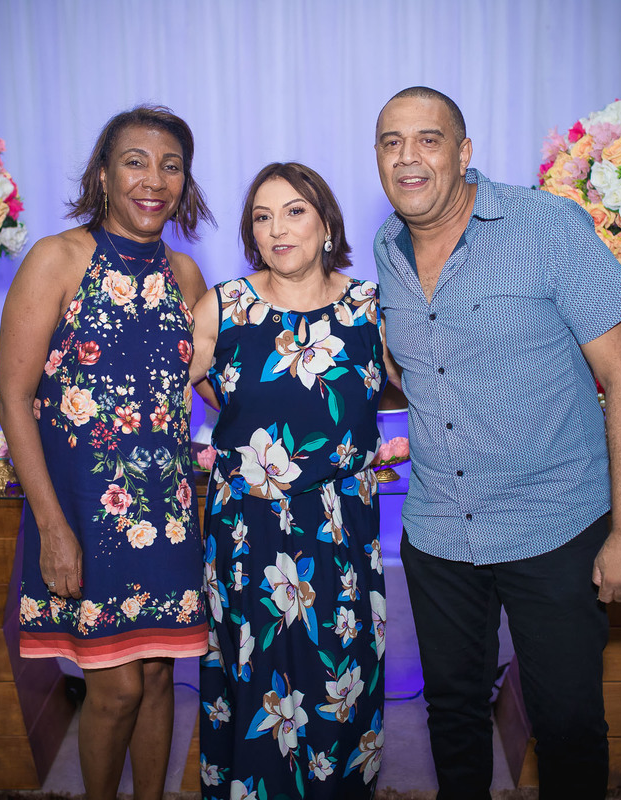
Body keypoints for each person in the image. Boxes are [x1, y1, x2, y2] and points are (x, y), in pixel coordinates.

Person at [372, 87, 621, 800]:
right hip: (439, 529)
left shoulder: (547, 225)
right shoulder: (386, 248)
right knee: (452, 714)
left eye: (428, 139)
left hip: (553, 524)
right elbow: (415, 368)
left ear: (464, 152)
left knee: (567, 725)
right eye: (391, 142)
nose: (408, 157)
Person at [0, 105, 214, 800]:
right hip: (85, 514)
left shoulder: (185, 274)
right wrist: (52, 527)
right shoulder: (57, 259)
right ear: (103, 174)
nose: (155, 180)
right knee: (116, 689)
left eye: (171, 166)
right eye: (135, 162)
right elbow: (14, 397)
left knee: (157, 679)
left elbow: (218, 387)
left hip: (167, 516)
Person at [191, 162, 394, 799]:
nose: (278, 229)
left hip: (340, 530)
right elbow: (168, 391)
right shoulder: (224, 306)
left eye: (294, 211)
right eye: (263, 216)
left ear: (327, 224)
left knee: (339, 683)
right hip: (246, 532)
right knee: (256, 687)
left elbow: (433, 386)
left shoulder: (372, 308)